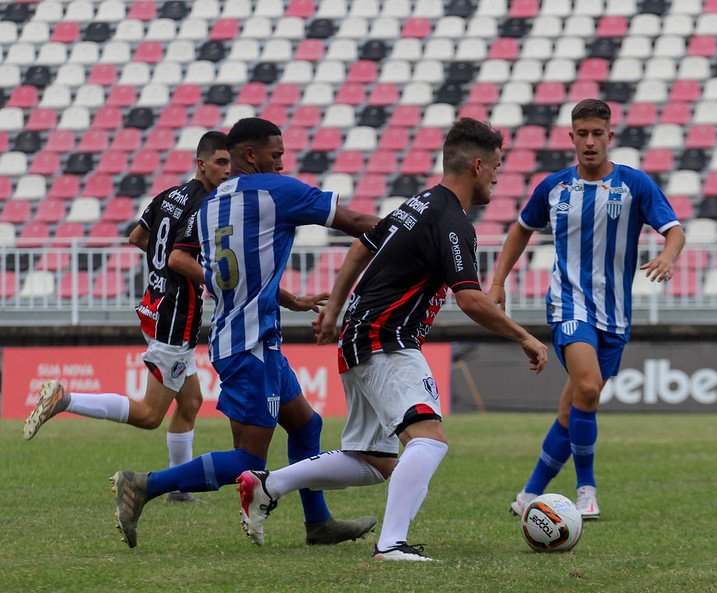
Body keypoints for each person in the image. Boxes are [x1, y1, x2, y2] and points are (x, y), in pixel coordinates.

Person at [236, 117, 549, 562]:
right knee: (429, 438)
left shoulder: (417, 204)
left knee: (369, 460)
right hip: (388, 338)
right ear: (477, 165)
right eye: (497, 166)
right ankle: (391, 545)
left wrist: (335, 309)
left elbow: (362, 245)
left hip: (360, 336)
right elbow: (471, 299)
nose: (498, 176)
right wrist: (525, 337)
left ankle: (269, 484)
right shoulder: (451, 221)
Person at [109, 117, 382, 549]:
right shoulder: (277, 191)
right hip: (249, 343)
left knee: (306, 425)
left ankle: (318, 523)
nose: (282, 162)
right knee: (249, 458)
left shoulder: (212, 202)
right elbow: (353, 222)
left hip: (246, 336)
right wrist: (412, 231)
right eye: (277, 154)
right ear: (251, 155)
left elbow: (187, 256)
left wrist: (283, 297)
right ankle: (143, 484)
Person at [488, 99, 686, 520]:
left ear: (610, 137)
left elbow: (674, 230)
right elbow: (521, 230)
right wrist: (499, 280)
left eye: (598, 133)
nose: (591, 141)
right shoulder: (553, 187)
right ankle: (586, 490)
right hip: (568, 303)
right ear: (572, 137)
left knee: (576, 403)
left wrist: (668, 256)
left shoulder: (634, 184)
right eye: (583, 134)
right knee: (590, 388)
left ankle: (529, 494)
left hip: (615, 313)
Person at [23, 132, 231, 504]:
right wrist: (209, 277)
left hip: (155, 302)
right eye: (221, 162)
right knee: (151, 414)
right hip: (175, 314)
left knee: (191, 401)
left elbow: (137, 236)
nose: (227, 170)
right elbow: (177, 258)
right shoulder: (207, 204)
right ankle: (64, 399)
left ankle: (179, 490)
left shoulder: (168, 195)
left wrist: (164, 267)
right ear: (202, 163)